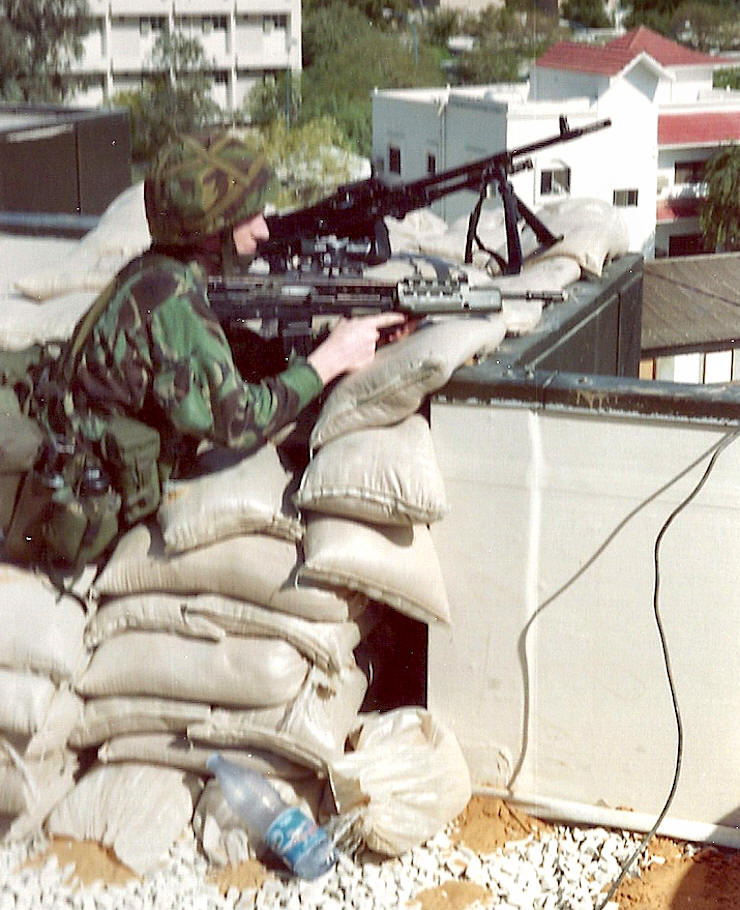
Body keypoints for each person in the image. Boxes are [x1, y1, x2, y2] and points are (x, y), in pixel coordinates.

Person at [9, 130, 409, 569]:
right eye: (249, 217)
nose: (263, 230)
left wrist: (328, 346)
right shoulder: (173, 300)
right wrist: (330, 360)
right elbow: (238, 422)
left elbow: (215, 359)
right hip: (87, 496)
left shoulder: (158, 271)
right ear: (210, 232)